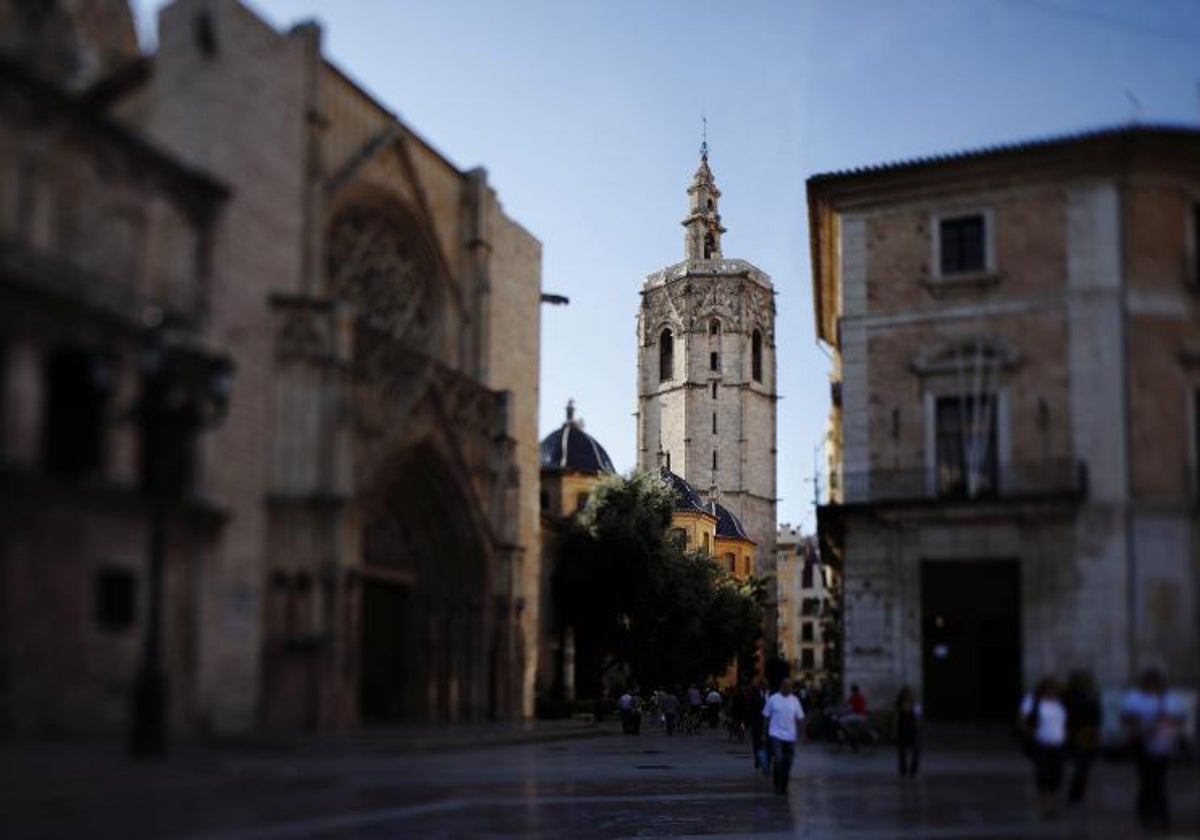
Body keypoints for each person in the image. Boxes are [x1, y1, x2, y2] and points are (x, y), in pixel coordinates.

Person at [1121, 668, 1186, 832]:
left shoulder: (1169, 698)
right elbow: (1126, 719)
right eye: (1149, 682)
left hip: (1163, 744)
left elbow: (1180, 718)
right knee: (1147, 781)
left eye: (1155, 683)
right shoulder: (1134, 698)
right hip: (1142, 744)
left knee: (1158, 782)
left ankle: (1160, 817)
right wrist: (1144, 722)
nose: (1152, 686)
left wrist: (1168, 720)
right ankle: (1149, 814)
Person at [1018, 677, 1067, 819]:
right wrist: (1031, 734)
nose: (1053, 692)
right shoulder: (1034, 702)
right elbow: (1023, 720)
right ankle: (1045, 804)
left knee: (1056, 775)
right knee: (1043, 774)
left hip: (1058, 743)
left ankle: (1054, 803)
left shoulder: (1060, 704)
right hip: (1041, 744)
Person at [1062, 669, 1100, 805]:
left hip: (1088, 732)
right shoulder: (1068, 696)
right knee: (1081, 765)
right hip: (1075, 732)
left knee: (1085, 765)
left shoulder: (1092, 696)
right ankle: (1075, 795)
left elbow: (1096, 716)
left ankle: (1078, 794)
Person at [762, 677, 806, 795]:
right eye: (787, 686)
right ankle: (777, 784)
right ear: (782, 686)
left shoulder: (795, 701)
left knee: (789, 761)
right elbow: (766, 717)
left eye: (791, 686)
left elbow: (800, 718)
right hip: (775, 734)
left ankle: (784, 785)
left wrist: (803, 734)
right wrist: (764, 734)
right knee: (779, 758)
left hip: (790, 736)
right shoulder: (773, 699)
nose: (790, 688)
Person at [893, 685, 921, 776]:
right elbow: (896, 718)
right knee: (903, 751)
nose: (908, 695)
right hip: (905, 729)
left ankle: (911, 769)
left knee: (912, 751)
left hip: (910, 728)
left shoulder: (913, 704)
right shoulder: (900, 704)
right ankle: (905, 769)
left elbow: (918, 716)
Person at [748, 679, 769, 775]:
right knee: (757, 742)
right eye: (763, 684)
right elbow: (750, 708)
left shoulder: (771, 694)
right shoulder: (754, 695)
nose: (765, 686)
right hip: (757, 723)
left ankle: (765, 760)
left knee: (767, 743)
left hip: (769, 724)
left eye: (766, 684)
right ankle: (758, 758)